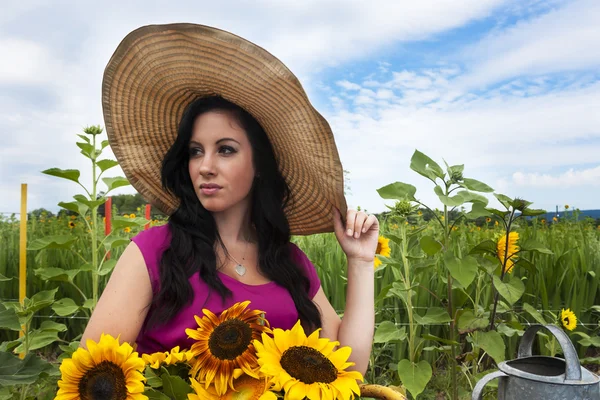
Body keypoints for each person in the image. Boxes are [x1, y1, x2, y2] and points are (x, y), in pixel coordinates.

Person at [81, 23, 378, 375]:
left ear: (259, 166)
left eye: (225, 150)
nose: (205, 167)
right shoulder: (154, 253)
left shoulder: (289, 263)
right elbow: (95, 376)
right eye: (195, 151)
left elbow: (349, 368)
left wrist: (360, 262)